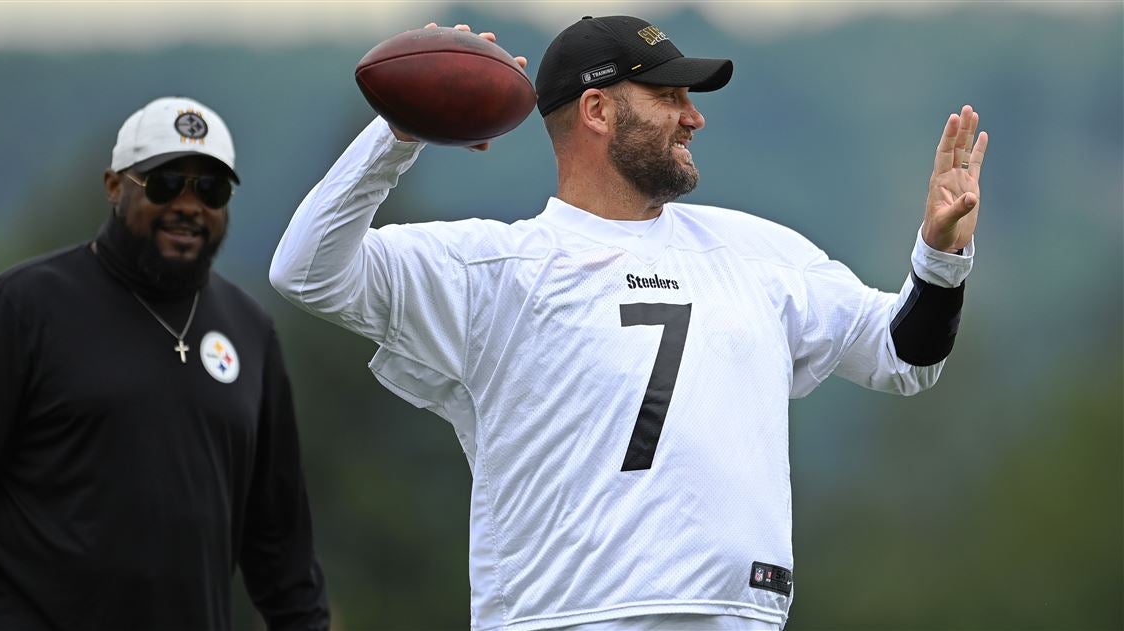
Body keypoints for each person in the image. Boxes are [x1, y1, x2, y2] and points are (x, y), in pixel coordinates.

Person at [270, 15, 987, 631]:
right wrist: (400, 131)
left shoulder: (758, 251)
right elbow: (305, 269)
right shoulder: (498, 267)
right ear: (597, 111)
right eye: (669, 95)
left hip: (736, 612)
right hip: (567, 613)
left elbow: (905, 355)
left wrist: (941, 254)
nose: (694, 115)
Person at [0, 96, 330, 630]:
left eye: (210, 189)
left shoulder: (250, 330)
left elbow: (281, 547)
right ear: (115, 185)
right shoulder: (23, 307)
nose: (189, 206)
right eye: (165, 184)